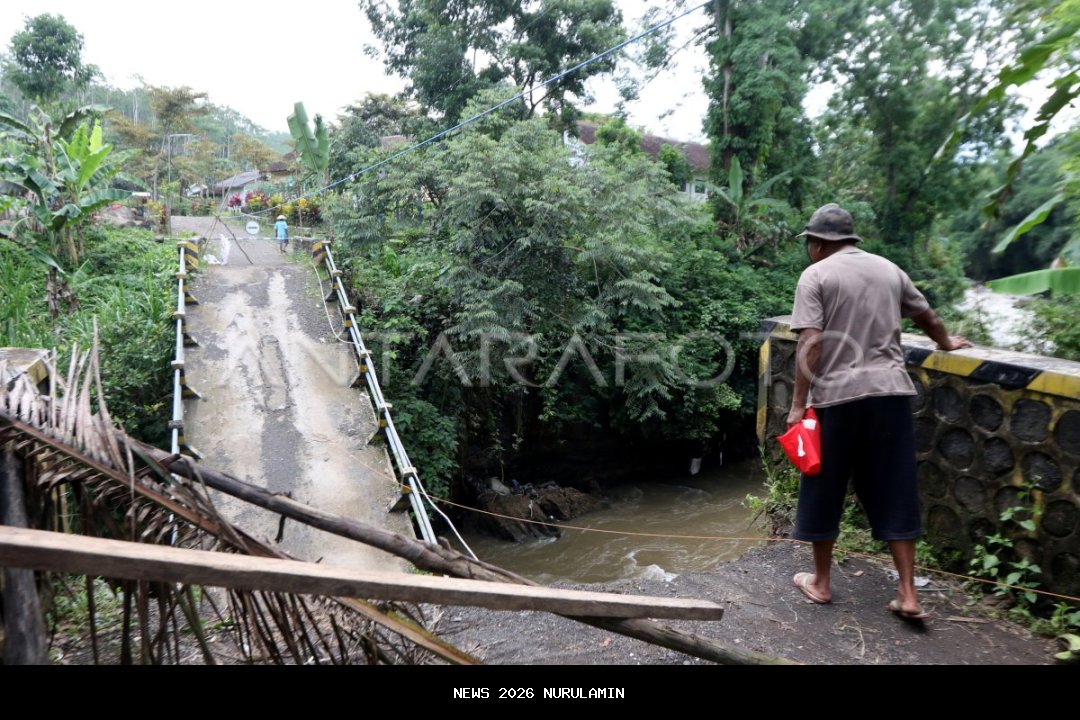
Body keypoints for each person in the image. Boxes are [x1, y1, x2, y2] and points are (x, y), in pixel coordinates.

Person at [785, 203, 972, 621]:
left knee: (824, 487)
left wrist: (798, 405)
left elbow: (810, 343)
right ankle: (907, 593)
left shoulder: (815, 275)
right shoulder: (890, 270)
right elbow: (928, 315)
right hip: (889, 395)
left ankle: (820, 583)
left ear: (817, 244)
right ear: (850, 240)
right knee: (895, 489)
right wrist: (944, 343)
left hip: (836, 399)